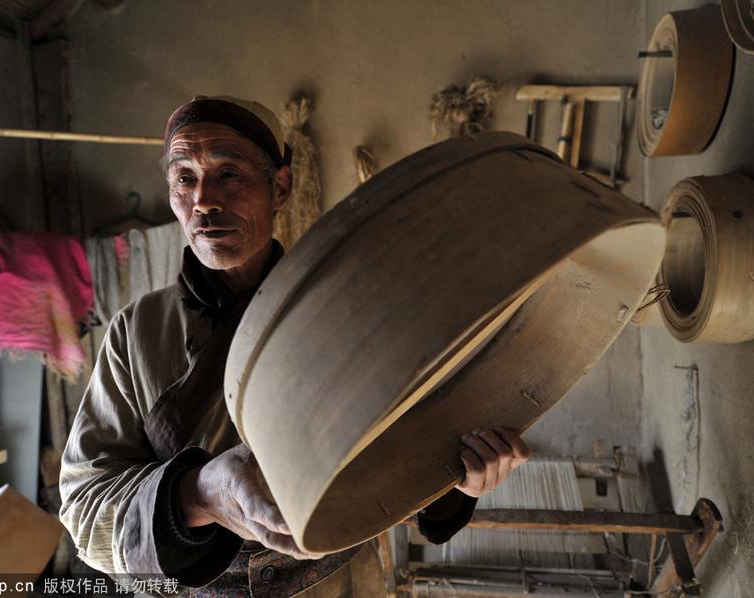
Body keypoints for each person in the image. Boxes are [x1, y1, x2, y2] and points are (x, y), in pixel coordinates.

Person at [59, 96, 531, 597]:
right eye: (184, 178)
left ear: (280, 188)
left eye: (228, 175)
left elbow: (405, 458)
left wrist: (460, 479)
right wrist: (199, 495)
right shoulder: (136, 333)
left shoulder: (344, 309)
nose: (204, 200)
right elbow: (84, 507)